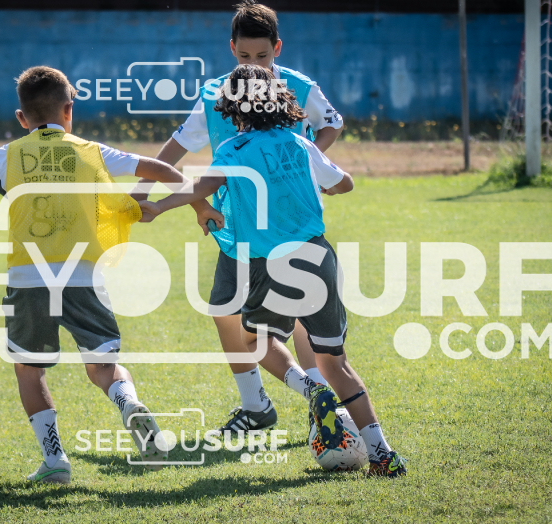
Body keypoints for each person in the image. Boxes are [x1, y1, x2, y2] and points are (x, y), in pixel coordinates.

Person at [0, 66, 223, 484]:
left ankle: (55, 459)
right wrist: (200, 207)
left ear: (21, 118)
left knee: (30, 370)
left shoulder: (6, 156)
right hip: (85, 278)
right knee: (103, 366)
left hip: (28, 280)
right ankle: (129, 404)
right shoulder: (92, 151)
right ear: (69, 110)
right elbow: (162, 169)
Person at [140, 64, 407, 477]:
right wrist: (325, 184)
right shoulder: (301, 144)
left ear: (232, 109)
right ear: (282, 101)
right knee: (336, 362)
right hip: (318, 258)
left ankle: (310, 388)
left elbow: (201, 187)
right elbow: (345, 183)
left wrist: (158, 206)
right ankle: (384, 455)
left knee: (254, 340)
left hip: (271, 264)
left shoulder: (233, 150)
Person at [133, 0, 345, 438]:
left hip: (291, 222)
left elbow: (332, 123)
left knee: (301, 317)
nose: (255, 64)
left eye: (262, 55)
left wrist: (312, 163)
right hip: (237, 225)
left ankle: (321, 409)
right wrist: (141, 190)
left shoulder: (299, 87)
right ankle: (258, 406)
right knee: (225, 312)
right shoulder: (217, 94)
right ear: (231, 48)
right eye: (245, 55)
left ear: (277, 48)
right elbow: (177, 146)